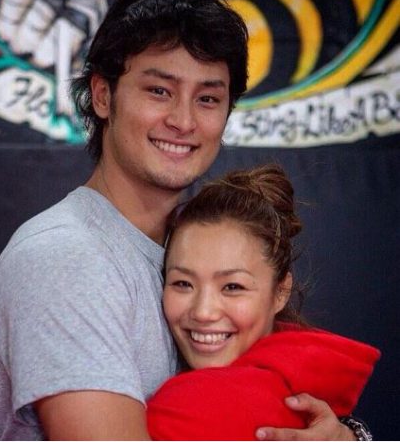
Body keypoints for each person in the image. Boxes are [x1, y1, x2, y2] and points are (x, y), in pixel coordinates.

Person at [0, 0, 366, 440]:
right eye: (159, 90)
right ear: (103, 95)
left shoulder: (194, 244)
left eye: (208, 98)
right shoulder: (66, 259)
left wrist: (348, 435)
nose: (183, 120)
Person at [145, 164, 380, 439]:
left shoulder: (189, 405)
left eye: (233, 287)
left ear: (280, 292)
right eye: (183, 283)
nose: (203, 311)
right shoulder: (309, 375)